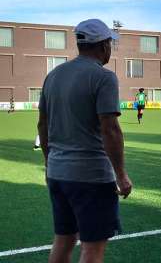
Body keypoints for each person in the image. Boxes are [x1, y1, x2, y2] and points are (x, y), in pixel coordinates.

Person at [37, 19, 132, 263]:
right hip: (90, 177)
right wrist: (121, 175)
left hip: (58, 173)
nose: (110, 48)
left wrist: (49, 164)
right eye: (110, 43)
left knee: (63, 240)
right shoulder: (103, 78)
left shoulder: (54, 76)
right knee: (92, 248)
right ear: (102, 46)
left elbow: (43, 125)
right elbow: (110, 129)